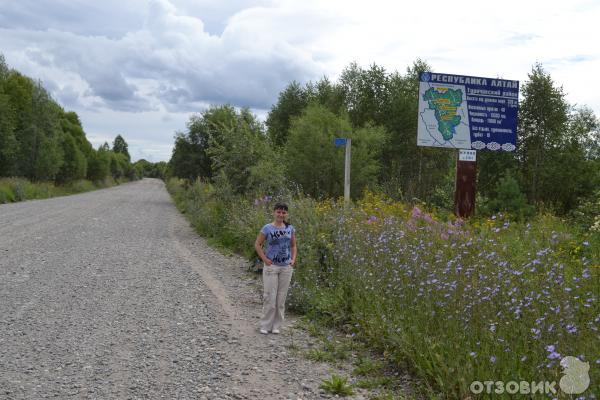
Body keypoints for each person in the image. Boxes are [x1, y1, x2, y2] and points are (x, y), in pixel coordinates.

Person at [254, 202, 297, 334]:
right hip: (271, 266)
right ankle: (265, 325)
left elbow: (293, 246)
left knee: (281, 299)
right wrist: (265, 259)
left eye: (284, 212)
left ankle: (276, 326)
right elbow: (257, 244)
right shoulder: (267, 228)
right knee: (270, 297)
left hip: (286, 268)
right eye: (278, 212)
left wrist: (293, 260)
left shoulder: (290, 228)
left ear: (286, 214)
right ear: (274, 212)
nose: (281, 214)